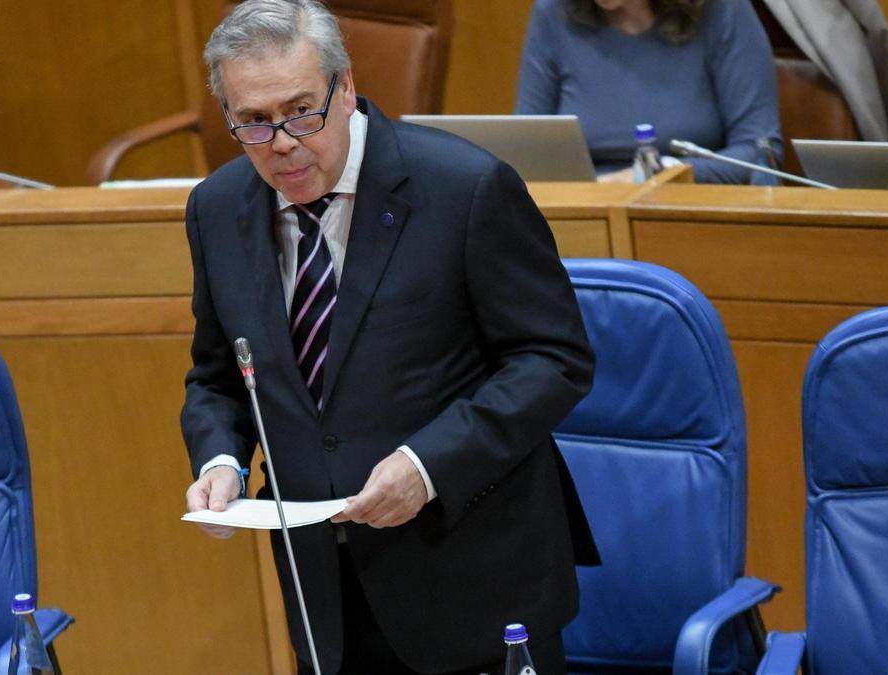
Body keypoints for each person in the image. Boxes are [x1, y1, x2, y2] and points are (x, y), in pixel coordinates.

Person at [181, 2, 599, 673]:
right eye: (253, 122)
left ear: (345, 88)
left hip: (473, 585)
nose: (283, 141)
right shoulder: (217, 207)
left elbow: (553, 359)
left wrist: (429, 464)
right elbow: (220, 374)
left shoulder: (465, 189)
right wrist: (219, 462)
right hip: (328, 606)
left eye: (301, 110)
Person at [516, 0, 783, 184]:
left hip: (691, 209)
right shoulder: (554, 12)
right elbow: (526, 153)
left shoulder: (720, 9)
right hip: (587, 213)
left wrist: (653, 175)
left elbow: (760, 154)